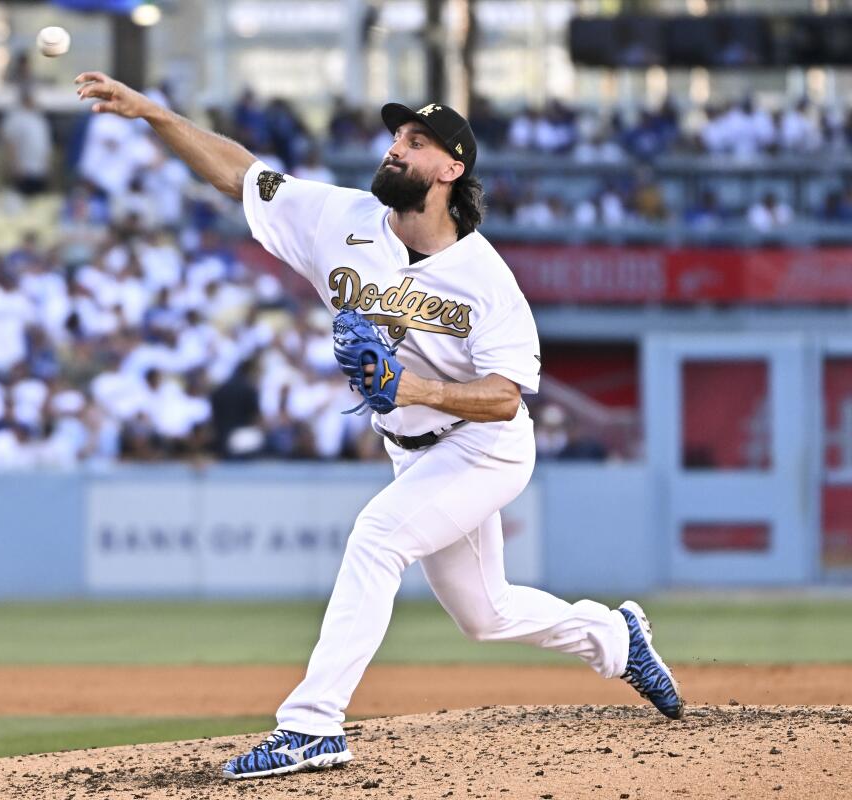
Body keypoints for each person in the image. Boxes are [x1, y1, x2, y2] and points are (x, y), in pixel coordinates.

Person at [76, 71, 686, 780]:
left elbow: (507, 396)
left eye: (417, 140)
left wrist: (409, 385)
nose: (396, 148)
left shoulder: (485, 280)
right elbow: (242, 174)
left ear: (451, 169)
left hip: (485, 447)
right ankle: (616, 637)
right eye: (397, 135)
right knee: (484, 614)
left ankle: (312, 726)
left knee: (376, 539)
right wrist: (155, 112)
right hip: (413, 450)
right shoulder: (342, 218)